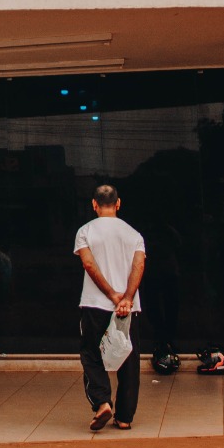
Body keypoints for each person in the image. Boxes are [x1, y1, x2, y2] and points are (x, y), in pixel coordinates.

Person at [75, 184, 145, 431]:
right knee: (129, 358)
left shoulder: (85, 231)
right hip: (128, 308)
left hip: (95, 304)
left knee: (91, 354)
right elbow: (139, 266)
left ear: (94, 204)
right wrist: (126, 298)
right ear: (118, 204)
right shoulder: (134, 234)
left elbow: (89, 265)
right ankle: (124, 417)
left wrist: (111, 295)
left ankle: (102, 402)